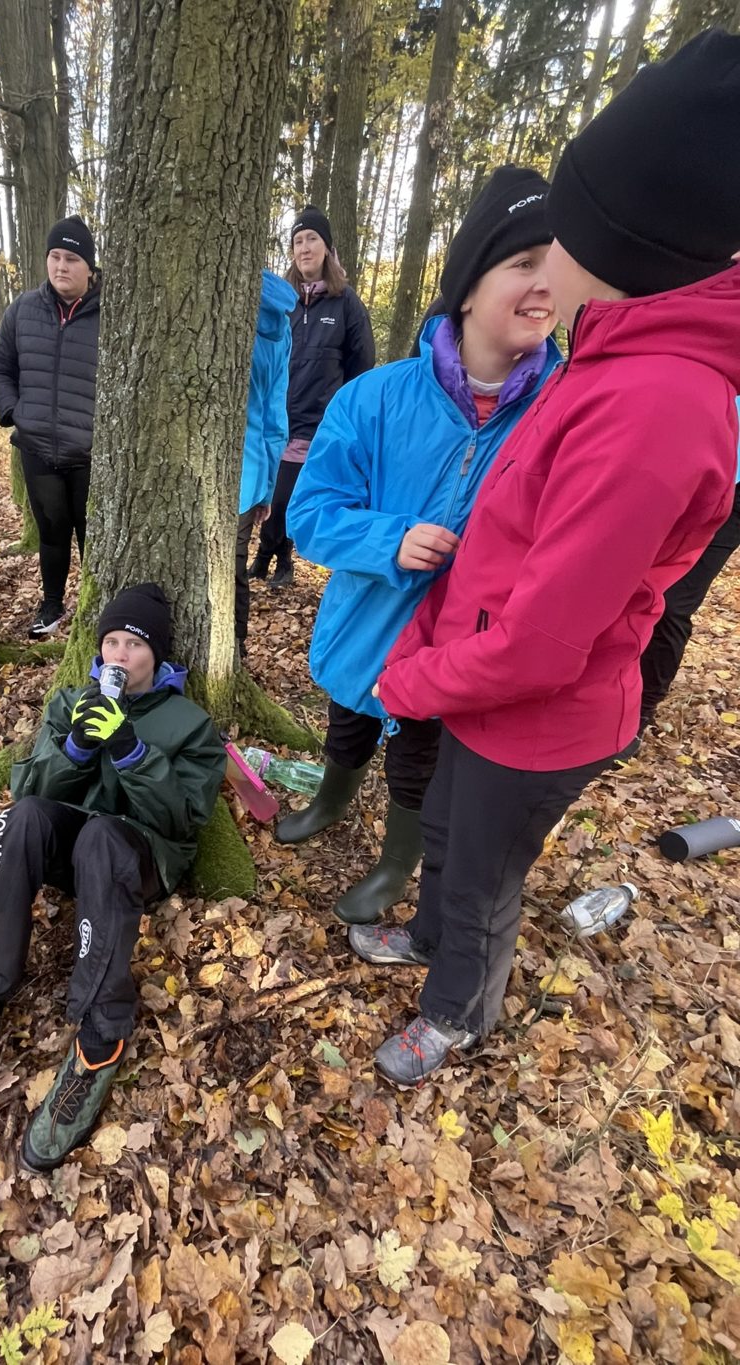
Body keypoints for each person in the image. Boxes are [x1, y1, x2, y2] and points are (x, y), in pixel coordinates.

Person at [353, 30, 740, 1088]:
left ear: (621, 242)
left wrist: (410, 680)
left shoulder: (654, 405)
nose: (539, 266)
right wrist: (428, 645)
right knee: (445, 825)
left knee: (484, 874)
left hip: (538, 715)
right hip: (483, 687)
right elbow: (506, 541)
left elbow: (542, 641)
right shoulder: (607, 358)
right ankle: (426, 939)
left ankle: (457, 1012)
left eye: (553, 238)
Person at [281, 168, 560, 932]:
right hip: (366, 620)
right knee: (348, 721)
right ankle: (331, 800)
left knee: (416, 759)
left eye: (557, 264)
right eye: (524, 262)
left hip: (459, 647)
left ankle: (397, 861)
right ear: (468, 285)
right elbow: (310, 514)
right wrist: (391, 538)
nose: (546, 284)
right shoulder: (374, 397)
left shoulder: (568, 410)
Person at [0, 583, 226, 1170]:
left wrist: (132, 751)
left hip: (138, 855)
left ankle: (99, 1039)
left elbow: (183, 818)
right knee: (9, 826)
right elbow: (28, 792)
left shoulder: (190, 723)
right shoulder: (71, 700)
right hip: (74, 849)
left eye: (134, 645)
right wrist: (75, 748)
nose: (119, 655)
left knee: (102, 839)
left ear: (156, 655)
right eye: (111, 642)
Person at [248, 206, 375, 590]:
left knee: (287, 498)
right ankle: (268, 557)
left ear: (327, 248)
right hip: (276, 418)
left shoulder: (346, 303)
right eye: (298, 241)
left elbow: (362, 364)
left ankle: (279, 558)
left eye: (312, 239)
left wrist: (340, 412)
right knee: (271, 494)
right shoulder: (280, 302)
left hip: (317, 423)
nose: (304, 248)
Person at [0, 216, 101, 637]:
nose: (61, 266)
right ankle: (51, 604)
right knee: (51, 533)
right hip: (38, 448)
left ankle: (96, 607)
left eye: (72, 258)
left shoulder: (110, 313)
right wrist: (15, 412)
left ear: (89, 267)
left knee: (93, 536)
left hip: (90, 451)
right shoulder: (23, 309)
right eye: (55, 256)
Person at [637, 414, 740, 733]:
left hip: (734, 494)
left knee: (672, 602)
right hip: (680, 468)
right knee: (627, 580)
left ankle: (642, 709)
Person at [236, 269, 298, 651]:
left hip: (220, 469)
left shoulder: (224, 304)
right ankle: (236, 646)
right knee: (233, 565)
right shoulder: (282, 327)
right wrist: (268, 488)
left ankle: (231, 650)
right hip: (253, 469)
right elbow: (276, 417)